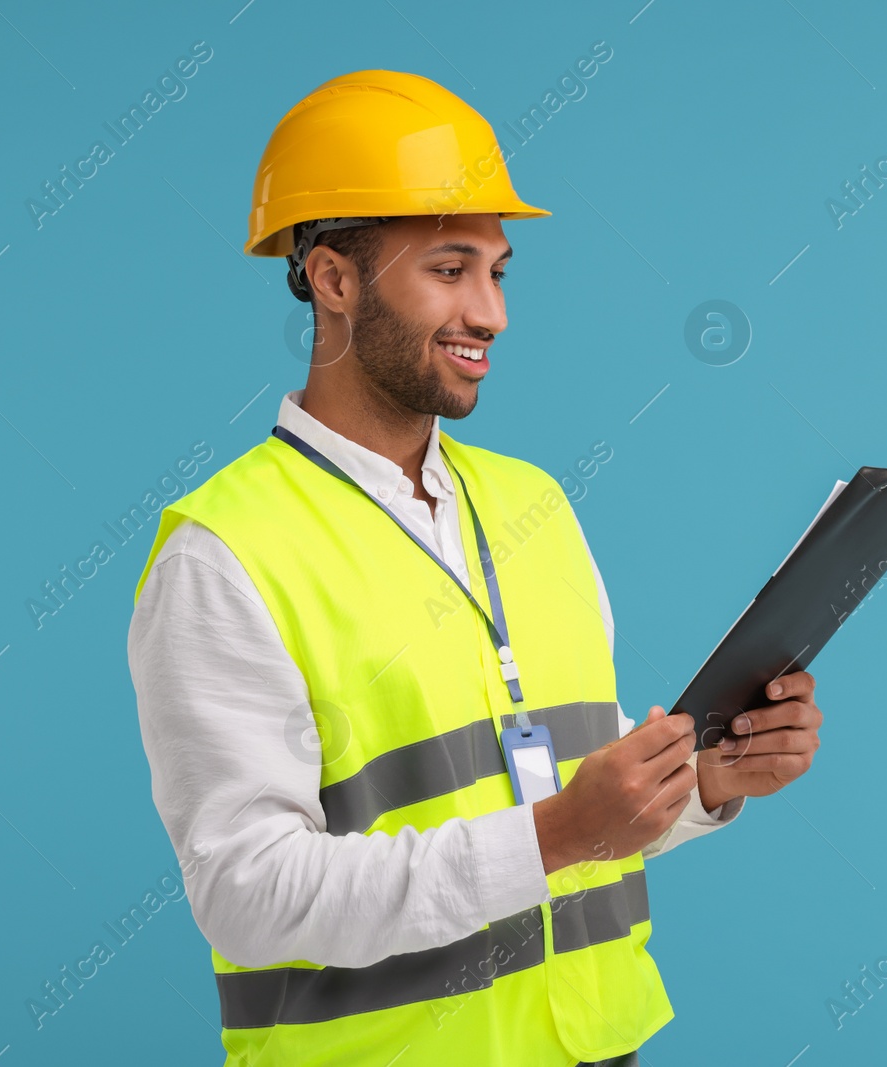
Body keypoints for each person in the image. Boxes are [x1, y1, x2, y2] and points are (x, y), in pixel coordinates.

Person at [127, 69, 823, 1067]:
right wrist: (550, 835)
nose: (490, 312)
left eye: (498, 271)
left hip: (596, 1046)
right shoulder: (224, 553)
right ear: (333, 279)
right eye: (450, 269)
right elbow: (248, 895)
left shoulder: (532, 501)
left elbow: (558, 785)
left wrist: (706, 778)